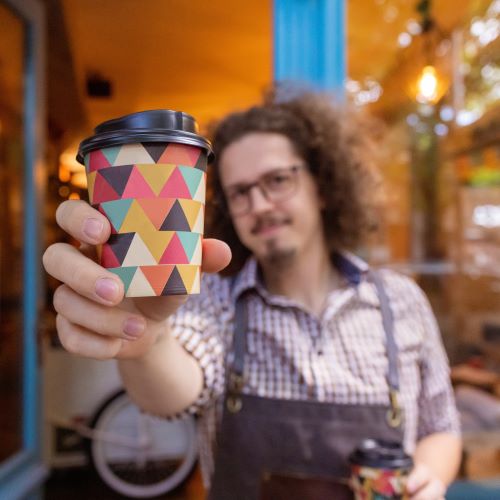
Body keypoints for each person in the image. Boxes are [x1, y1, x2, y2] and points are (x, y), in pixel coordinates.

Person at [43, 90, 461, 499]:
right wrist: (144, 333)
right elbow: (170, 396)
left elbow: (440, 427)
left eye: (278, 180)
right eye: (240, 192)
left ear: (324, 185)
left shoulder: (402, 301)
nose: (258, 204)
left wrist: (430, 477)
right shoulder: (215, 299)